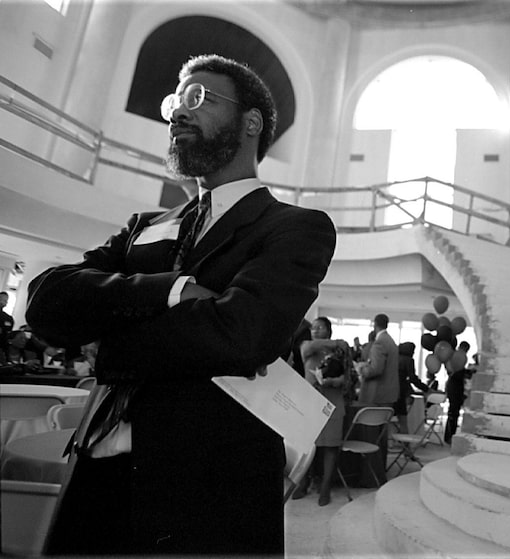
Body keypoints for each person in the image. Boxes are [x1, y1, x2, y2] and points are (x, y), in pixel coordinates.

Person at [25, 54, 336, 555]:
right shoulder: (144, 227)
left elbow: (242, 336)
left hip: (208, 495)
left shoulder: (294, 227)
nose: (176, 115)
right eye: (175, 103)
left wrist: (107, 345)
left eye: (197, 99)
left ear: (251, 122)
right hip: (96, 480)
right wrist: (169, 290)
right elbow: (44, 301)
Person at [295, 316, 349, 506]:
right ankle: (303, 483)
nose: (316, 330)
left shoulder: (340, 352)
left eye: (321, 328)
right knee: (307, 447)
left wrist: (332, 381)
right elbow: (306, 349)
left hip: (333, 403)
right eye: (314, 328)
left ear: (329, 329)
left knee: (330, 447)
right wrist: (334, 343)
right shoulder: (308, 347)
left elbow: (346, 378)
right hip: (310, 404)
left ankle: (325, 487)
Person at [356, 313, 399, 481]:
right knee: (382, 437)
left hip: (377, 395)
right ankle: (380, 471)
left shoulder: (379, 343)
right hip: (388, 395)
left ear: (375, 325)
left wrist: (361, 369)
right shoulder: (391, 342)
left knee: (373, 436)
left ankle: (371, 475)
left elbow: (375, 370)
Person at [444, 341, 470, 444]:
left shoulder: (453, 357)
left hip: (452, 387)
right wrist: (467, 373)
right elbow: (458, 374)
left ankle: (449, 435)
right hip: (455, 388)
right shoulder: (459, 358)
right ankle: (450, 436)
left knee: (452, 413)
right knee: (454, 413)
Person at [393, 341, 417, 433]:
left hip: (390, 390)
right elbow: (413, 378)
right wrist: (425, 388)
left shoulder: (395, 357)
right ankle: (405, 444)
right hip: (401, 392)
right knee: (403, 419)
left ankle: (390, 440)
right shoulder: (409, 360)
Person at [0, 291, 13, 364]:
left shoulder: (8, 318)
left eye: (6, 300)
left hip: (2, 348)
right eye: (2, 299)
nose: (4, 302)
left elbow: (7, 336)